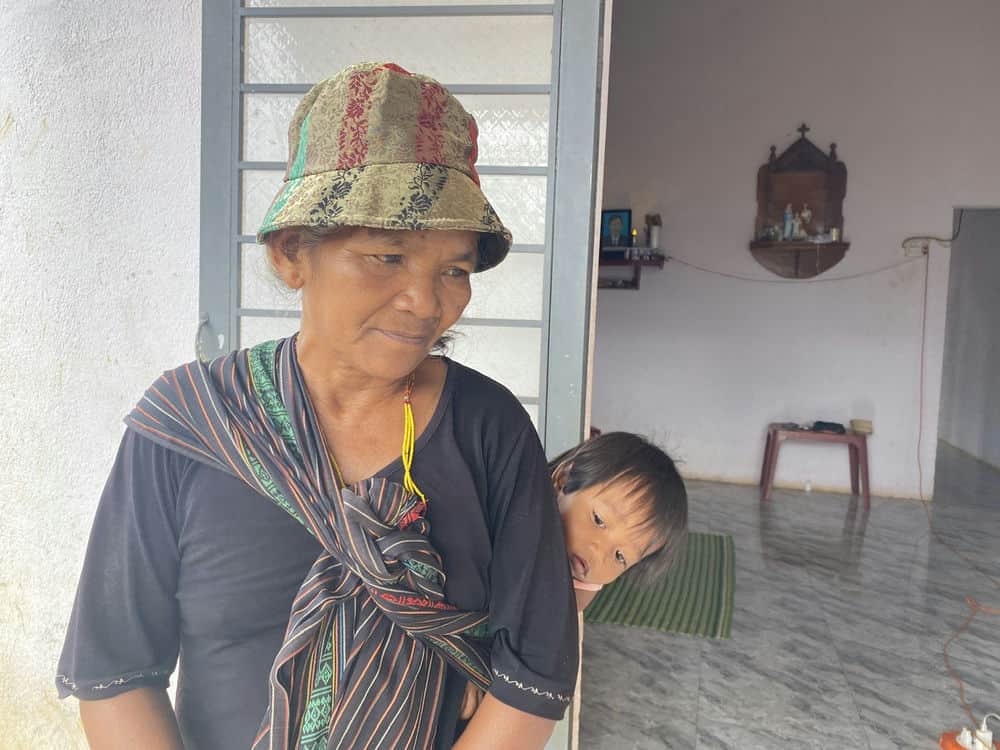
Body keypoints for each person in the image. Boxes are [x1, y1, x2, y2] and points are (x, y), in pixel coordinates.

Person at [56, 62, 578, 750]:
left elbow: (532, 672)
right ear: (291, 254)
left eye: (453, 269)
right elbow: (117, 669)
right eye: (388, 257)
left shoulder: (490, 430)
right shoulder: (188, 426)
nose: (426, 303)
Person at [459, 431, 688, 720]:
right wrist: (465, 664)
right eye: (599, 520)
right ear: (563, 480)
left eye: (620, 556)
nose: (597, 551)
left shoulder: (580, 587)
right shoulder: (510, 515)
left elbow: (538, 635)